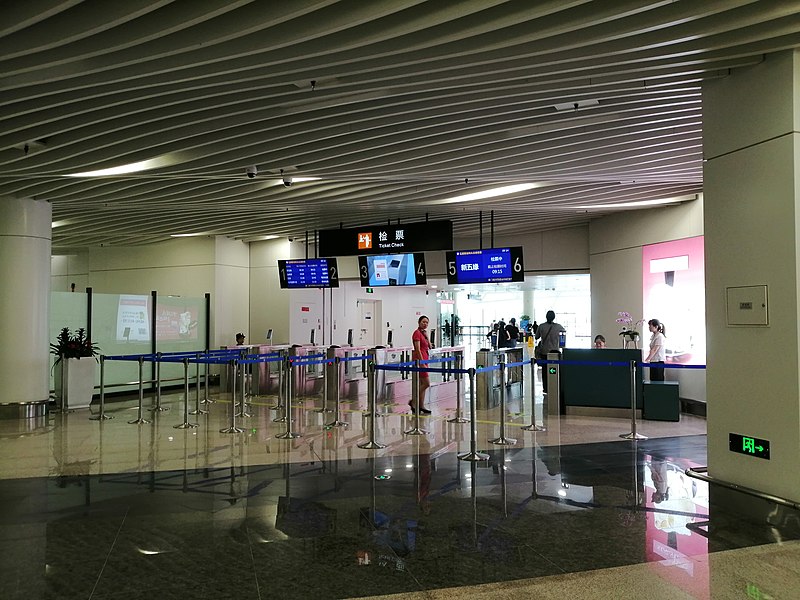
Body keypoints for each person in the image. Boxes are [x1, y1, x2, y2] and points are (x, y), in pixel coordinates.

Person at [535, 310, 566, 393]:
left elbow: (536, 337)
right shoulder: (559, 327)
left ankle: (546, 388)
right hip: (555, 352)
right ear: (554, 317)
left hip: (544, 352)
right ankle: (555, 386)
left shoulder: (541, 326)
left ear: (546, 317)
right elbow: (563, 336)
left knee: (545, 371)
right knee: (554, 370)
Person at [411, 315, 432, 414]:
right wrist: (422, 362)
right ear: (419, 322)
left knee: (422, 384)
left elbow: (430, 346)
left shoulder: (424, 334)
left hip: (425, 359)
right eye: (423, 322)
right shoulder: (417, 333)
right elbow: (417, 349)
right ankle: (413, 401)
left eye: (427, 322)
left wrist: (427, 337)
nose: (425, 324)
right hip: (420, 361)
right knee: (426, 383)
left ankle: (421, 405)